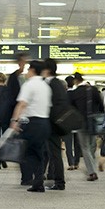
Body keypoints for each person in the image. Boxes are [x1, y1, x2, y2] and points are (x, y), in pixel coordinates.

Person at [9, 60, 52, 192]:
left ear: (32, 70)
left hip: (32, 122)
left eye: (28, 70)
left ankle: (31, 179)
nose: (27, 73)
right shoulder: (46, 86)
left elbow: (22, 104)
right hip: (45, 122)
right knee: (39, 152)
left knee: (27, 152)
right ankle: (38, 181)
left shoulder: (29, 84)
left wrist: (14, 120)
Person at [69, 72, 103, 181]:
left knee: (85, 147)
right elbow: (101, 105)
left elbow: (71, 109)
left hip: (81, 122)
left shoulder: (75, 93)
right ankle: (92, 168)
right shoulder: (93, 90)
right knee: (92, 146)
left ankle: (92, 172)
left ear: (75, 81)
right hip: (92, 121)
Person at [43, 58, 70, 191]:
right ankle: (52, 178)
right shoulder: (58, 83)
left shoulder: (50, 84)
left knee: (54, 154)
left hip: (52, 124)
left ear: (47, 70)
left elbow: (52, 105)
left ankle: (59, 182)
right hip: (56, 123)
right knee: (52, 153)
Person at [63, 75, 81, 170]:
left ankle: (71, 163)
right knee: (77, 143)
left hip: (66, 122)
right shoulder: (77, 94)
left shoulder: (63, 95)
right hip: (76, 121)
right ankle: (77, 162)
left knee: (68, 144)